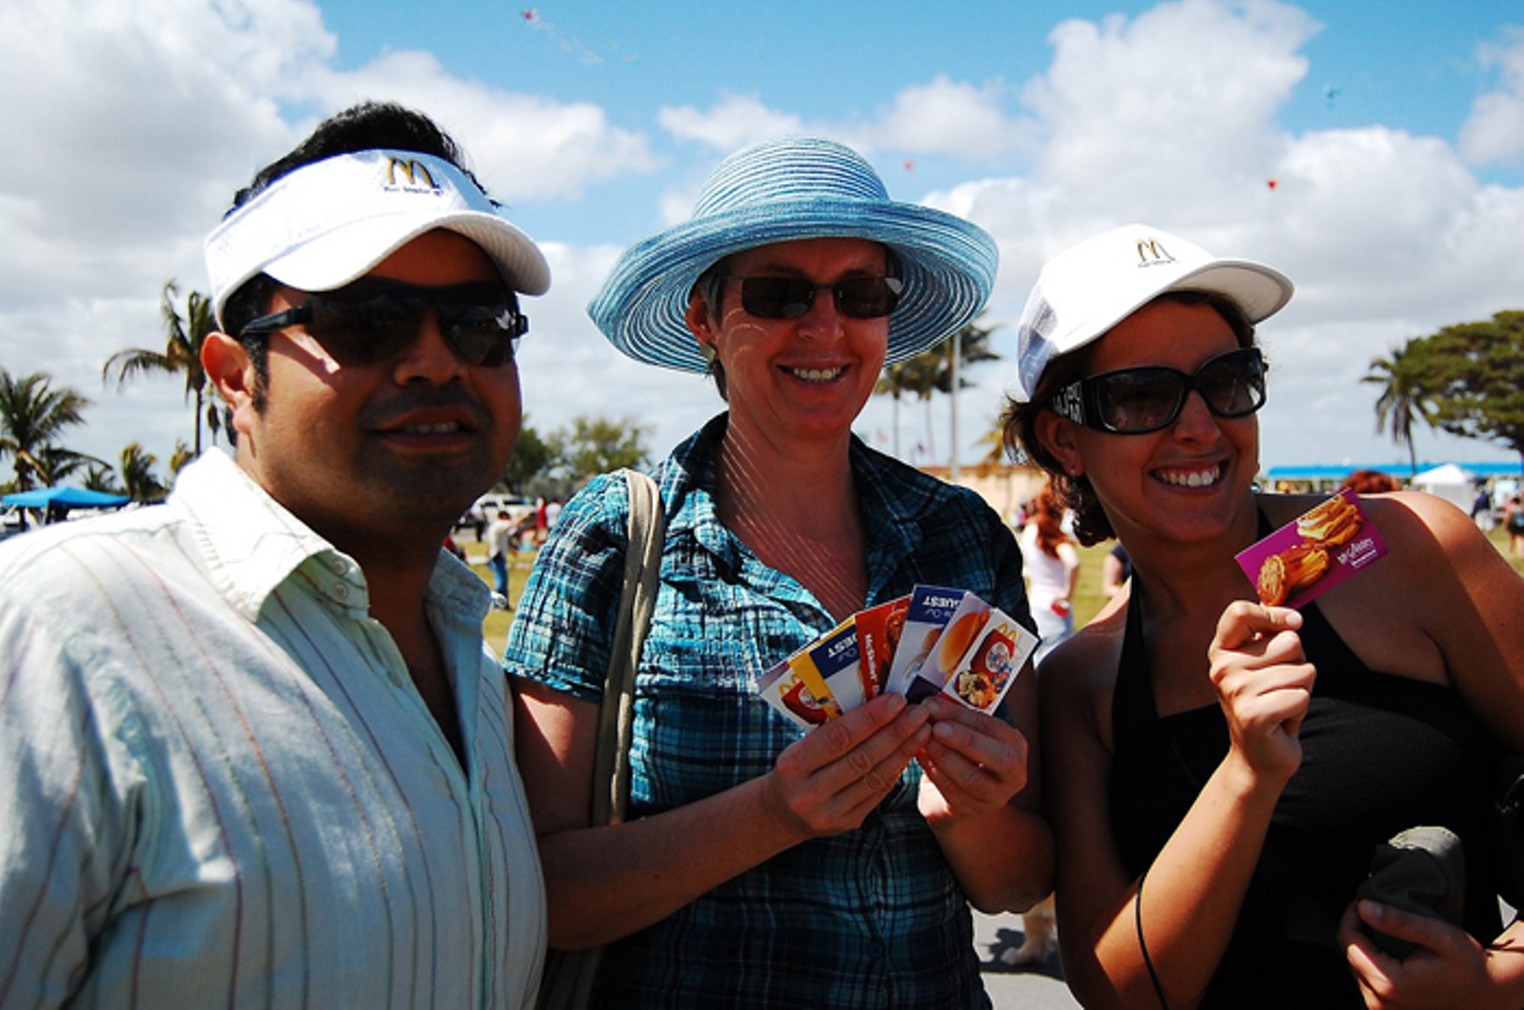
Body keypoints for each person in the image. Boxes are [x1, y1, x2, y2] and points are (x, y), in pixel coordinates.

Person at [0, 102, 552, 1007]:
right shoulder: (64, 630)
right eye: (365, 322)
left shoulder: (481, 681)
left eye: (477, 322)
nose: (433, 362)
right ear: (231, 375)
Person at [505, 136, 1053, 1008]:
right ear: (705, 320)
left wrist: (974, 811)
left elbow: (1016, 885)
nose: (826, 327)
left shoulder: (960, 535)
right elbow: (542, 891)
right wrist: (771, 815)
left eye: (861, 294)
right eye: (778, 293)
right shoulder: (613, 536)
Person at [1001, 223, 1524, 1009]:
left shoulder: (1407, 548)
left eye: (1228, 379)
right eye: (1142, 394)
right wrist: (1246, 775)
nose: (1201, 425)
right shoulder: (1083, 681)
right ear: (1063, 439)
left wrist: (1499, 982)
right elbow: (1121, 992)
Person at [1020, 481, 1081, 661]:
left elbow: (1027, 568)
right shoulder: (1051, 534)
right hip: (1054, 608)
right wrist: (1067, 595)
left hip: (1035, 604)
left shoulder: (1029, 530)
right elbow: (1073, 563)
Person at [486, 507, 516, 605]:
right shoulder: (499, 525)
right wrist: (525, 516)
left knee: (502, 580)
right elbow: (512, 524)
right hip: (497, 555)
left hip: (495, 554)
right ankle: (498, 604)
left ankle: (503, 603)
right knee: (501, 582)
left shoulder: (494, 526)